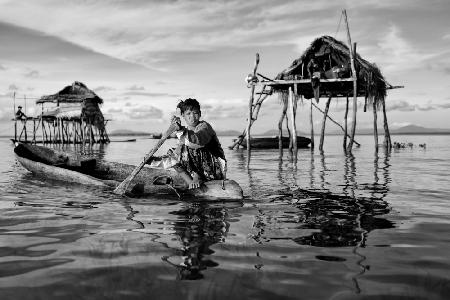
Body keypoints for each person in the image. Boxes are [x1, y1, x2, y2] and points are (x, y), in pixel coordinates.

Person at [148, 98, 226, 189]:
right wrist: (152, 161)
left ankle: (197, 177)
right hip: (195, 173)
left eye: (195, 113)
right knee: (173, 153)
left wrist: (180, 130)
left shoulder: (204, 127)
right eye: (188, 113)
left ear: (200, 114)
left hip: (213, 171)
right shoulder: (185, 135)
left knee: (192, 148)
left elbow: (196, 142)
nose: (192, 117)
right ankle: (190, 182)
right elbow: (175, 157)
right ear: (183, 115)